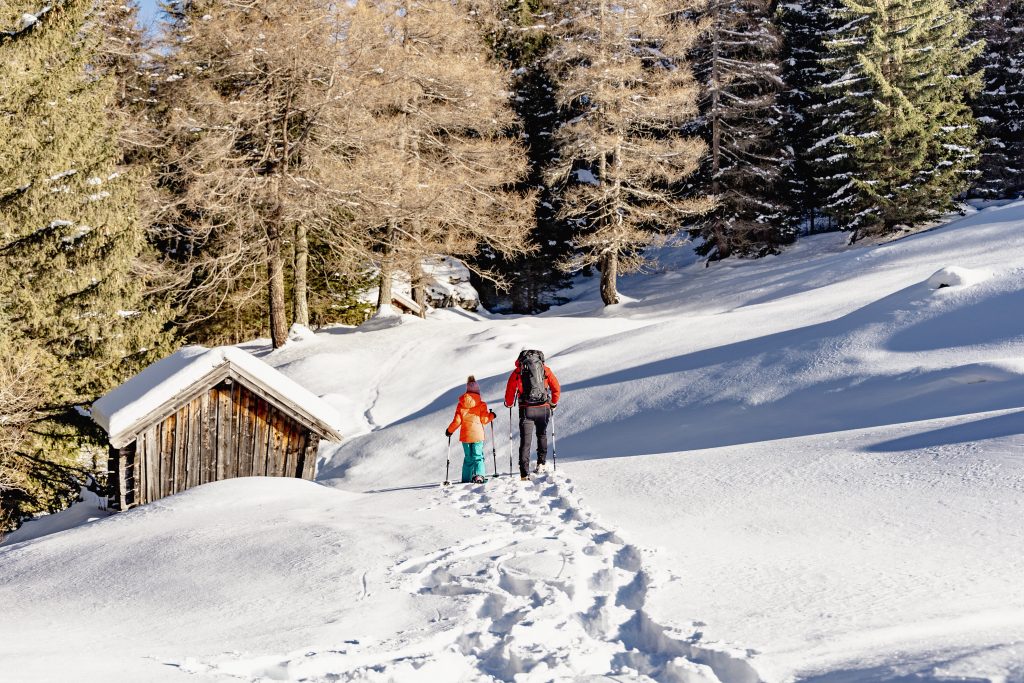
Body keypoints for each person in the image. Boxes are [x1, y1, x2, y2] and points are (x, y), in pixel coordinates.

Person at [504, 349, 561, 480]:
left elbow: (510, 391)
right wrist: (553, 402)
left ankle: (524, 472)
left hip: (526, 409)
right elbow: (556, 388)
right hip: (543, 408)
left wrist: (508, 403)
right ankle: (541, 463)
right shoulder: (545, 370)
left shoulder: (518, 371)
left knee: (525, 440)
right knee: (542, 435)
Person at [445, 376, 496, 484]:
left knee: (468, 458)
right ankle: (479, 476)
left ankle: (466, 479)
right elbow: (484, 420)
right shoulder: (481, 404)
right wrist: (491, 415)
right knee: (478, 457)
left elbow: (457, 421)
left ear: (467, 390)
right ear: (478, 391)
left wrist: (450, 431)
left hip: (466, 437)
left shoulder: (461, 405)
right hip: (478, 436)